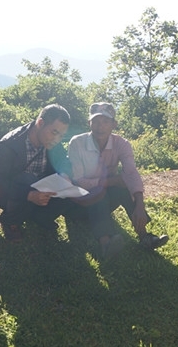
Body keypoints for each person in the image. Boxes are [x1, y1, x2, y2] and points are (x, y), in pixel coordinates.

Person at [67, 102, 169, 259]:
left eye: (105, 122)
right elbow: (79, 181)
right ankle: (105, 243)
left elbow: (131, 173)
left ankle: (144, 236)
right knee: (101, 190)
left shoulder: (121, 144)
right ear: (89, 123)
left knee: (122, 186)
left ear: (113, 124)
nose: (100, 126)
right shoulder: (77, 143)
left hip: (102, 201)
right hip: (79, 203)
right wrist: (109, 182)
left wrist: (140, 205)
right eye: (96, 121)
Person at [0, 104, 75, 242]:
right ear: (40, 123)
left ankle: (40, 218)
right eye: (54, 132)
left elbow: (64, 161)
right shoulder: (10, 144)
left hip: (40, 187)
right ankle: (10, 221)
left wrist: (65, 175)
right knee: (28, 179)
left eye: (61, 136)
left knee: (71, 186)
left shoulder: (52, 142)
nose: (57, 139)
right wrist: (29, 195)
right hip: (11, 192)